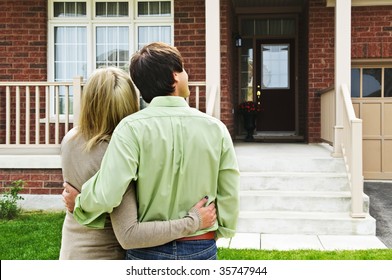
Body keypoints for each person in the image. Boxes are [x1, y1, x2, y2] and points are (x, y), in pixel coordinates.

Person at [69, 42, 240, 260]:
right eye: (184, 69)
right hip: (200, 245)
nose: (186, 74)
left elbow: (108, 192)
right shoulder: (216, 129)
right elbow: (229, 191)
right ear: (175, 76)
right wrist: (221, 230)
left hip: (147, 251)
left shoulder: (130, 129)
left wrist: (81, 203)